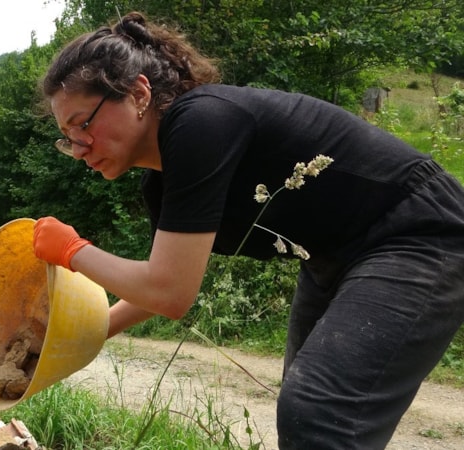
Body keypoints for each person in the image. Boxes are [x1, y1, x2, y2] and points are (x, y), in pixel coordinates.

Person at [31, 11, 464, 450]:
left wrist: (71, 249)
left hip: (418, 234)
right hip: (331, 260)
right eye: (67, 138)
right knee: (306, 417)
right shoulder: (162, 182)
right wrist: (78, 338)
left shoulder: (201, 121)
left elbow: (169, 292)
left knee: (319, 410)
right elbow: (163, 285)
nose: (79, 149)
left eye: (83, 124)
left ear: (138, 93)